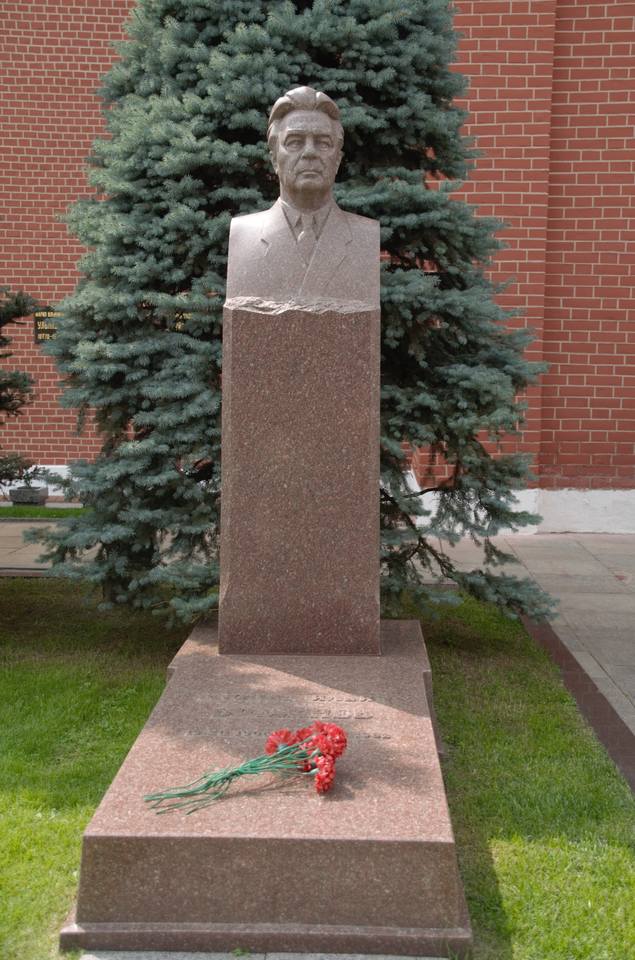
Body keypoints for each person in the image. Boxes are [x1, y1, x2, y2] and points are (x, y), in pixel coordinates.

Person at [225, 86, 379, 305]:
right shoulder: (243, 237)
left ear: (337, 159)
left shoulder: (365, 236)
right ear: (274, 158)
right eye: (295, 142)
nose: (309, 152)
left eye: (323, 143)